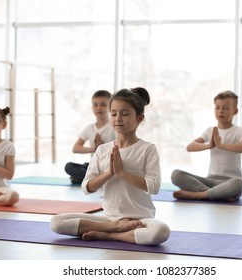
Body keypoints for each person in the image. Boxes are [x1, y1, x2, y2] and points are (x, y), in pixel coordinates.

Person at [51, 87, 170, 245]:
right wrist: (109, 173)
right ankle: (115, 227)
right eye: (114, 113)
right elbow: (87, 187)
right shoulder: (102, 150)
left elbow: (153, 187)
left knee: (161, 232)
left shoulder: (148, 149)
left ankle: (111, 235)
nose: (118, 118)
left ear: (139, 118)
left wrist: (122, 173)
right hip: (109, 218)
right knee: (56, 222)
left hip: (141, 219)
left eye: (125, 114)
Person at [171, 90, 242, 201]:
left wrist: (221, 145)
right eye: (217, 107)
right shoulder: (210, 131)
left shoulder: (239, 131)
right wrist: (209, 145)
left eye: (226, 108)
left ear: (235, 111)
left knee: (239, 183)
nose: (221, 111)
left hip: (229, 182)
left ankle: (198, 195)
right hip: (209, 181)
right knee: (176, 174)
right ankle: (218, 195)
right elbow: (190, 147)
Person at [64, 90, 115, 184]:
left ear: (111, 107)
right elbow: (75, 148)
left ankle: (89, 178)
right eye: (95, 105)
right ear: (92, 107)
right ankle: (97, 179)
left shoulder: (114, 126)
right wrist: (94, 148)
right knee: (69, 167)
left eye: (103, 104)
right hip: (93, 166)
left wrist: (102, 148)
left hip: (109, 167)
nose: (99, 108)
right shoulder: (89, 128)